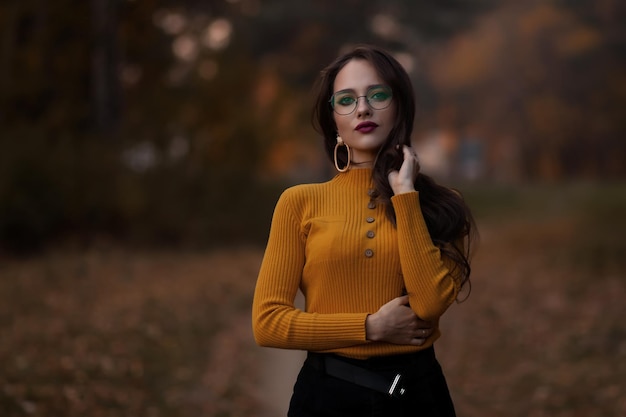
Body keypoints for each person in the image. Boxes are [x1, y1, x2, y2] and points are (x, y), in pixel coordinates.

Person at [252, 45, 476, 417]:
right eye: (346, 100)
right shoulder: (299, 203)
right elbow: (267, 323)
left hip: (417, 397)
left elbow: (430, 304)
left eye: (377, 94)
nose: (363, 108)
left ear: (399, 105)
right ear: (334, 120)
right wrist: (370, 326)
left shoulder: (442, 205)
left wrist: (405, 196)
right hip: (326, 398)